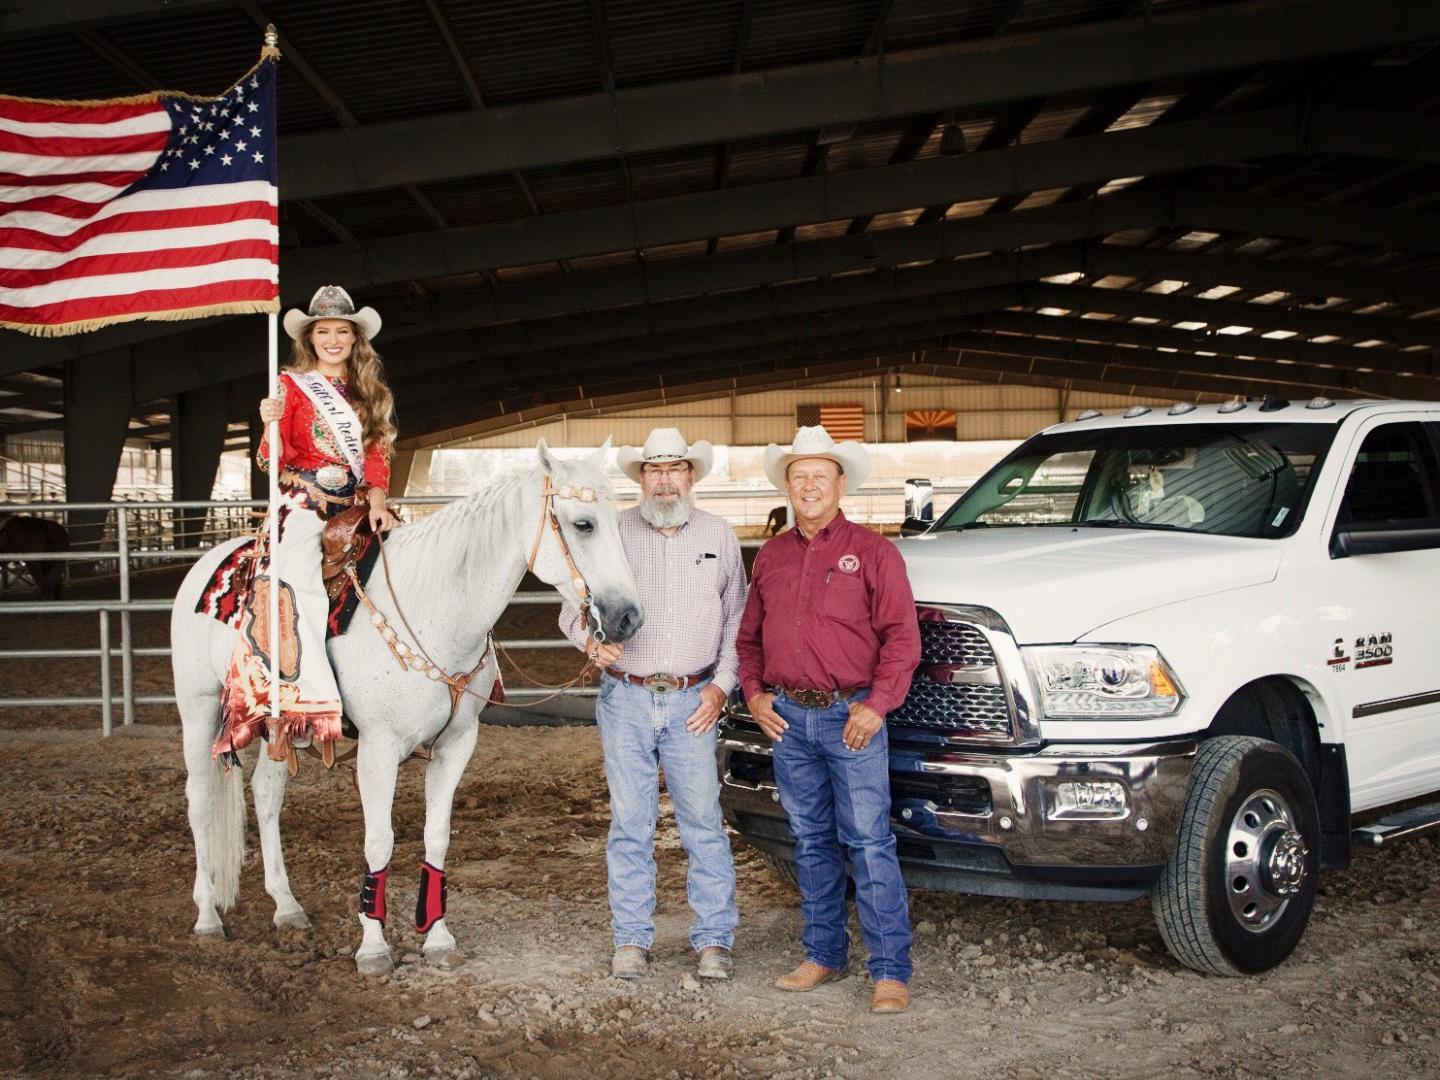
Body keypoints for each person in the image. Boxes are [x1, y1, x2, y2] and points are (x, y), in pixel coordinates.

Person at [736, 425, 921, 1014]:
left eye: (821, 475)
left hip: (852, 717)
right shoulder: (771, 555)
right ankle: (824, 954)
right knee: (810, 841)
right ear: (787, 486)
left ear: (841, 484)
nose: (810, 485)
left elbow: (902, 638)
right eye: (799, 476)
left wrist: (878, 703)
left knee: (869, 842)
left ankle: (890, 971)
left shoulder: (874, 552)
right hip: (789, 719)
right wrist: (756, 696)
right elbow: (748, 641)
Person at [559, 428, 745, 981]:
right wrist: (590, 643)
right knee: (630, 824)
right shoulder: (612, 531)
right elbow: (572, 608)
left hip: (695, 698)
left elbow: (739, 617)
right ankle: (631, 939)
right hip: (628, 696)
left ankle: (713, 938)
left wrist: (722, 686)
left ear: (691, 475)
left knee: (703, 823)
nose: (665, 481)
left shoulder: (719, 534)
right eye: (654, 471)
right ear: (639, 478)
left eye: (675, 469)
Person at [213, 285, 401, 765]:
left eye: (342, 331)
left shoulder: (371, 392)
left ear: (355, 339)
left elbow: (378, 451)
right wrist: (269, 424)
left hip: (358, 502)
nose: (333, 340)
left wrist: (378, 497)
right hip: (305, 500)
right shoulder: (291, 386)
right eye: (324, 332)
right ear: (311, 339)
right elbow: (267, 462)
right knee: (294, 583)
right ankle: (303, 704)